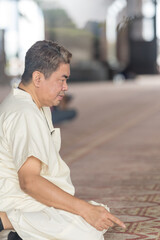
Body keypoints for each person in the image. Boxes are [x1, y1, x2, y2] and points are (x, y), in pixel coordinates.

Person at [0, 40, 126, 240]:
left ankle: (21, 231)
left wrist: (86, 210)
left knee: (99, 212)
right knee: (88, 232)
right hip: (22, 203)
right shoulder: (25, 113)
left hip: (36, 201)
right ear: (38, 78)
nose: (66, 87)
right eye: (62, 79)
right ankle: (9, 224)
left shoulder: (34, 105)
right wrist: (83, 210)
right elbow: (29, 181)